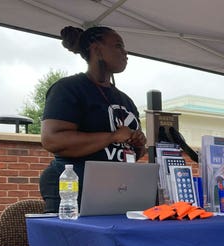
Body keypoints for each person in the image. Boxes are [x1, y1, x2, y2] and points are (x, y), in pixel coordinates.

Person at [39, 26, 147, 213]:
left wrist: (137, 143)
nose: (125, 53)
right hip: (73, 193)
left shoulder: (126, 100)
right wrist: (113, 136)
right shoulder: (69, 88)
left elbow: (130, 153)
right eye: (118, 46)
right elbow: (52, 139)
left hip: (116, 191)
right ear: (97, 49)